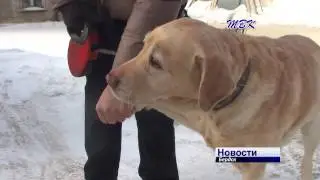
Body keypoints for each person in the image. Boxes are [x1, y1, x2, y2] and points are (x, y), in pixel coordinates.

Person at [53, 0, 189, 180]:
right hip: (100, 33)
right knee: (100, 147)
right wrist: (67, 4)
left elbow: (155, 8)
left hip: (152, 38)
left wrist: (119, 82)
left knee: (157, 145)